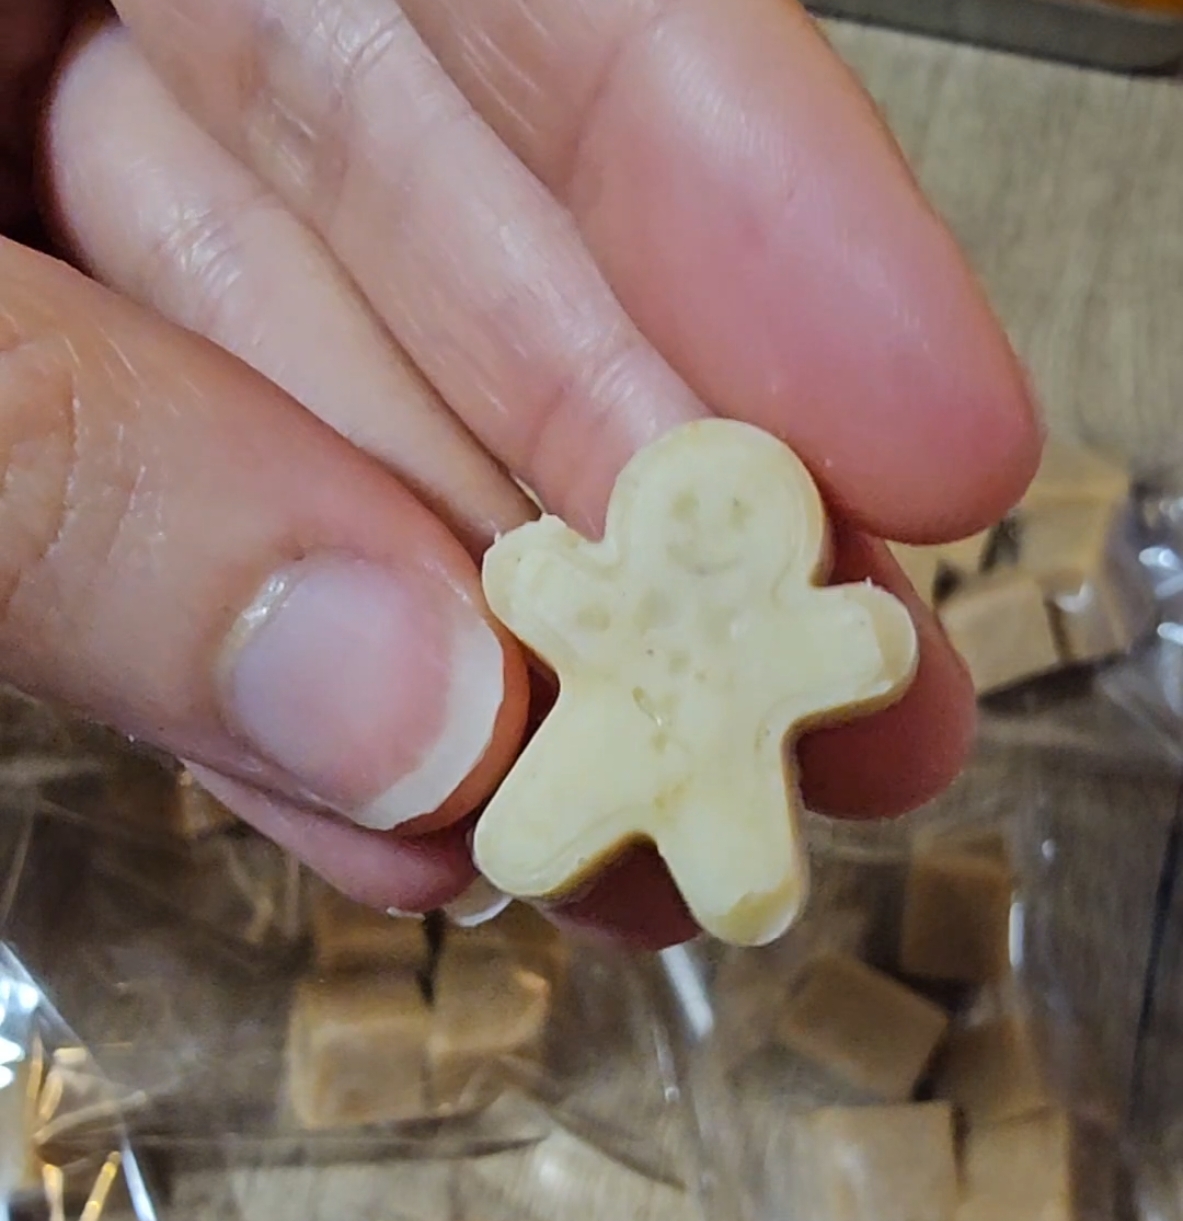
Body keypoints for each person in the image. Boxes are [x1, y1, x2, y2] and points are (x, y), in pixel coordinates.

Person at [0, 0, 1039, 947]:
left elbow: (856, 643)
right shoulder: (609, 585)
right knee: (555, 823)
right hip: (618, 740)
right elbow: (547, 585)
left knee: (709, 850)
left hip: (694, 765)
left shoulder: (789, 632)